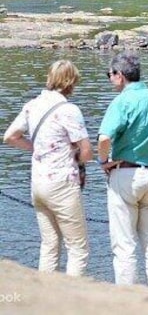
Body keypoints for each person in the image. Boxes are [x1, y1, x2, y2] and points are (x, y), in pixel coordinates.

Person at [3, 60, 92, 276]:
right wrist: (77, 158)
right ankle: (73, 300)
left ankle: (46, 297)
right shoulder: (69, 110)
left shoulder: (32, 105)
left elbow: (10, 137)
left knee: (49, 244)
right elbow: (87, 153)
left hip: (38, 183)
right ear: (71, 82)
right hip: (62, 183)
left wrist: (38, 148)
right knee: (77, 247)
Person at [98, 52, 148, 289]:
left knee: (124, 243)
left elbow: (104, 138)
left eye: (110, 75)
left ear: (120, 76)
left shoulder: (121, 101)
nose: (110, 79)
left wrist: (103, 162)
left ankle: (127, 298)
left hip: (124, 173)